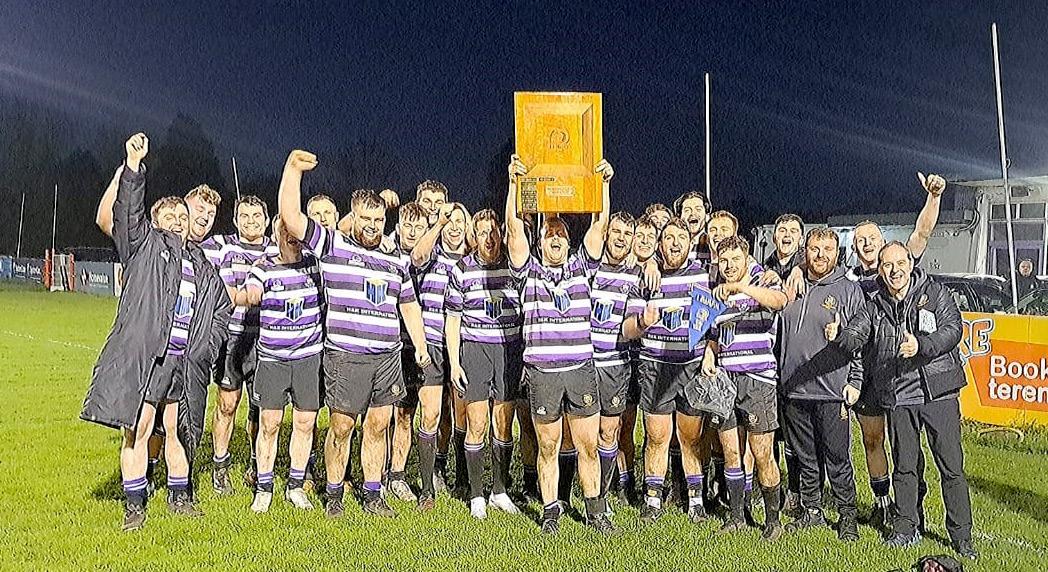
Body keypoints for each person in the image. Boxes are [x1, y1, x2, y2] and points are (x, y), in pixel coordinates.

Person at [81, 133, 230, 531]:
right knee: (139, 430)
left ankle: (180, 497)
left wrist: (206, 347)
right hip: (150, 358)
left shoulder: (201, 263)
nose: (178, 222)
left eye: (182, 217)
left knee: (177, 431)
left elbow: (221, 308)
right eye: (170, 217)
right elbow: (127, 210)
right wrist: (133, 166)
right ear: (155, 221)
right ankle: (135, 504)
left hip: (182, 362)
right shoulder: (144, 245)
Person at [787, 172, 946, 529]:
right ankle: (882, 502)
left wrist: (934, 198)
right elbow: (819, 269)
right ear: (855, 249)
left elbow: (921, 233)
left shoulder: (898, 266)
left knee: (906, 443)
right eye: (860, 240)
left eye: (872, 237)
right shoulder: (853, 282)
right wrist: (798, 268)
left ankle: (912, 507)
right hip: (868, 373)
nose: (867, 243)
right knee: (872, 440)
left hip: (903, 371)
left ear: (883, 241)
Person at [278, 149, 431, 518]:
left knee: (378, 425)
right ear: (353, 216)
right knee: (342, 426)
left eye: (379, 219)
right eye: (366, 218)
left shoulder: (395, 260)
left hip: (387, 357)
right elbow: (292, 218)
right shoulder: (333, 245)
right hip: (346, 357)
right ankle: (334, 493)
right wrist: (293, 171)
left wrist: (421, 345)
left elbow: (409, 305)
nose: (373, 225)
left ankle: (373, 493)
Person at [832, 241, 977, 559]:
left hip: (939, 391)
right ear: (880, 271)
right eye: (887, 265)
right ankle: (906, 527)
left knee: (951, 467)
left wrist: (922, 346)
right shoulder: (874, 305)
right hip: (898, 395)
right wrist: (839, 334)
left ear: (910, 264)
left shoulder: (935, 293)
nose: (894, 270)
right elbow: (857, 334)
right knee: (905, 467)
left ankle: (961, 536)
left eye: (900, 263)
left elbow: (953, 329)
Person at [506, 153, 616, 534]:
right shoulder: (528, 273)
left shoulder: (583, 268)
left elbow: (599, 227)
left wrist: (603, 184)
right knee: (548, 446)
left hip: (580, 370)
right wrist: (513, 184)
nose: (554, 237)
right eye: (548, 233)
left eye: (560, 233)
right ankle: (550, 511)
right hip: (543, 374)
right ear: (540, 243)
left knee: (588, 446)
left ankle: (596, 513)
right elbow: (513, 231)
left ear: (569, 242)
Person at [622, 216, 712, 525]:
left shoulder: (702, 276)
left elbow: (711, 325)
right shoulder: (647, 278)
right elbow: (628, 330)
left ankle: (696, 502)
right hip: (656, 367)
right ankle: (653, 501)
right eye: (669, 238)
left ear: (690, 243)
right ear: (660, 244)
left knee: (691, 438)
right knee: (657, 436)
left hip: (690, 367)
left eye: (681, 238)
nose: (675, 244)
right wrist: (643, 322)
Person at [778, 227, 865, 541]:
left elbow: (860, 338)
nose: (820, 255)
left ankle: (847, 516)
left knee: (837, 458)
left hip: (831, 390)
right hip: (793, 389)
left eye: (828, 249)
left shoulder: (848, 290)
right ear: (805, 251)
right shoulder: (790, 283)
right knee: (805, 457)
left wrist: (855, 379)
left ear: (837, 253)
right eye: (815, 249)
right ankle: (812, 510)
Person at [702, 235, 788, 539]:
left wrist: (743, 287)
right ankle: (737, 516)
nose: (729, 266)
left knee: (761, 452)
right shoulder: (717, 293)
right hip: (726, 380)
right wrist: (709, 354)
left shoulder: (763, 280)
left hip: (757, 379)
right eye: (724, 260)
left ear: (747, 258)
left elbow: (780, 301)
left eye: (735, 259)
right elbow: (714, 333)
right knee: (730, 451)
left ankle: (773, 521)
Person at [445, 208, 524, 518]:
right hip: (476, 350)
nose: (489, 238)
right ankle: (477, 494)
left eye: (494, 232)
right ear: (473, 237)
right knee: (476, 423)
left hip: (508, 350)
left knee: (503, 424)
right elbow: (453, 320)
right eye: (482, 233)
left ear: (501, 234)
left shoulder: (515, 267)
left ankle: (500, 491)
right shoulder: (462, 270)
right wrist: (454, 363)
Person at [241, 218, 323, 513]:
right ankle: (264, 487)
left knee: (305, 423)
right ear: (275, 234)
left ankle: (296, 486)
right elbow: (252, 288)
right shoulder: (263, 267)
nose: (291, 236)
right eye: (284, 231)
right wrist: (250, 294)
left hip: (308, 358)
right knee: (270, 423)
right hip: (272, 360)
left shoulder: (315, 265)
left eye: (294, 231)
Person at [398, 201, 473, 511]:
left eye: (459, 221)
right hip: (431, 343)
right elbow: (416, 256)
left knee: (462, 415)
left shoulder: (472, 260)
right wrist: (437, 225)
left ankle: (462, 480)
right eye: (449, 221)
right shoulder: (432, 254)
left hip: (463, 345)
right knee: (430, 413)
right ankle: (427, 489)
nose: (454, 227)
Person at [205, 195, 278, 494]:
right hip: (233, 338)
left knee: (261, 409)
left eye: (257, 215)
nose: (251, 221)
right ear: (235, 220)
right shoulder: (222, 246)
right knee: (227, 403)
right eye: (244, 216)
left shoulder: (277, 249)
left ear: (267, 219)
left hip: (267, 341)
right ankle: (220, 466)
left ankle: (256, 464)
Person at [588, 212, 642, 502]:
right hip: (584, 363)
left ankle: (602, 494)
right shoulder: (588, 268)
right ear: (607, 234)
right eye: (617, 231)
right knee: (581, 432)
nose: (621, 238)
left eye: (627, 234)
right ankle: (572, 490)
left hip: (615, 365)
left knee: (609, 431)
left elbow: (631, 323)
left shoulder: (635, 275)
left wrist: (642, 323)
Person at [615, 214, 659, 505]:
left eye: (649, 237)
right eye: (638, 236)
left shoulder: (658, 270)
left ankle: (654, 484)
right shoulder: (622, 268)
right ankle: (624, 481)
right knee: (623, 425)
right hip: (623, 358)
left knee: (655, 428)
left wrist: (651, 263)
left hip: (651, 360)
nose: (643, 242)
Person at [763, 214, 804, 282]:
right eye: (782, 231)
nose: (787, 235)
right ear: (774, 238)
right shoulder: (765, 265)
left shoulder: (808, 261)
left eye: (793, 231)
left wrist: (800, 269)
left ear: (801, 240)